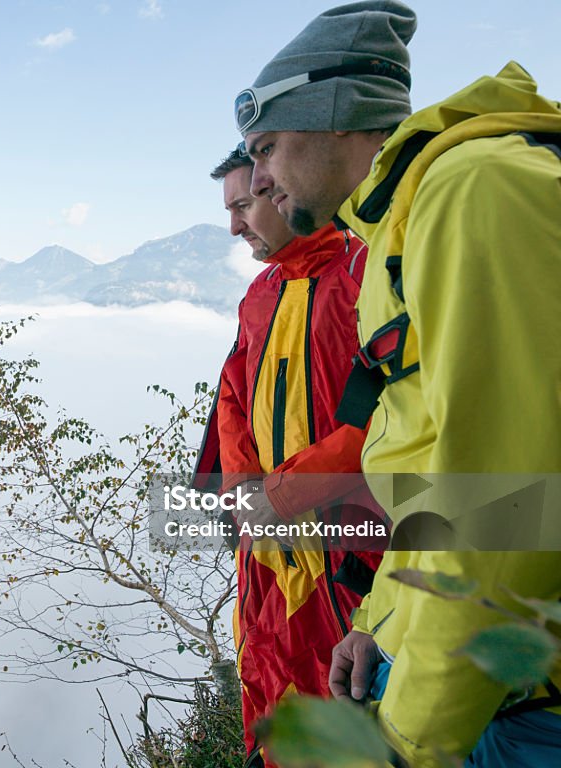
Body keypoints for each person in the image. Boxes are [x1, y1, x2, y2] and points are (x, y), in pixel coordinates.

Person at [236, 1, 561, 765]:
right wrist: (378, 623)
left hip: (523, 703)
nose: (259, 181)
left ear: (339, 116)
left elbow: (508, 503)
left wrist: (408, 739)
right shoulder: (395, 230)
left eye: (268, 147)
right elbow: (422, 459)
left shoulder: (473, 190)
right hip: (478, 684)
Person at [195, 148, 381, 767]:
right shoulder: (260, 294)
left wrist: (274, 500)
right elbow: (233, 398)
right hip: (271, 568)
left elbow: (387, 420)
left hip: (355, 565)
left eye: (243, 204)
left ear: (283, 191)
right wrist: (244, 495)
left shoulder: (366, 272)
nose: (234, 226)